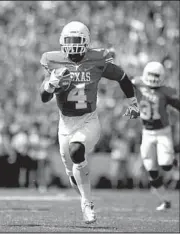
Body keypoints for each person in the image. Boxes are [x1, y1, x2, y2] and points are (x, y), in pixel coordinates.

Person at [39, 21, 140, 224]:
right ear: (62, 41)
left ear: (86, 42)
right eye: (69, 41)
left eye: (77, 41)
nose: (73, 45)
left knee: (77, 150)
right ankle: (84, 196)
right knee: (71, 173)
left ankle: (87, 204)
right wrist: (51, 84)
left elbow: (122, 77)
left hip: (88, 120)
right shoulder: (53, 60)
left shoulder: (97, 59)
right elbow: (43, 97)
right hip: (65, 123)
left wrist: (133, 103)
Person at [132, 61, 180, 211]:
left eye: (156, 75)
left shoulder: (166, 91)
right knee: (151, 171)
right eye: (151, 75)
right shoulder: (138, 83)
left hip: (162, 132)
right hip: (146, 133)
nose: (153, 78)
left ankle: (175, 163)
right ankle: (165, 200)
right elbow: (122, 78)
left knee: (165, 164)